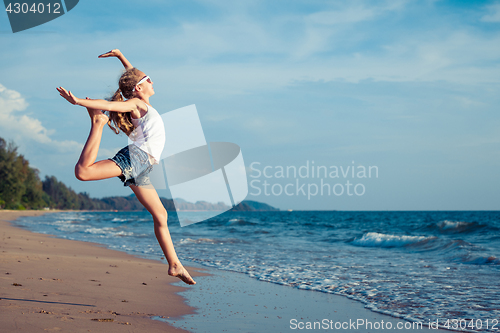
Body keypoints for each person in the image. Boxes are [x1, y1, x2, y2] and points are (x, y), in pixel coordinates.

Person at [56, 49, 196, 285]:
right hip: (137, 158)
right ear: (140, 88)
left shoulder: (142, 102)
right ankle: (98, 123)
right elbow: (117, 97)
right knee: (83, 173)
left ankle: (174, 264)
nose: (152, 80)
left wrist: (121, 57)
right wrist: (80, 102)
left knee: (161, 215)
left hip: (144, 168)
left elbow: (133, 78)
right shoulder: (135, 104)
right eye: (148, 79)